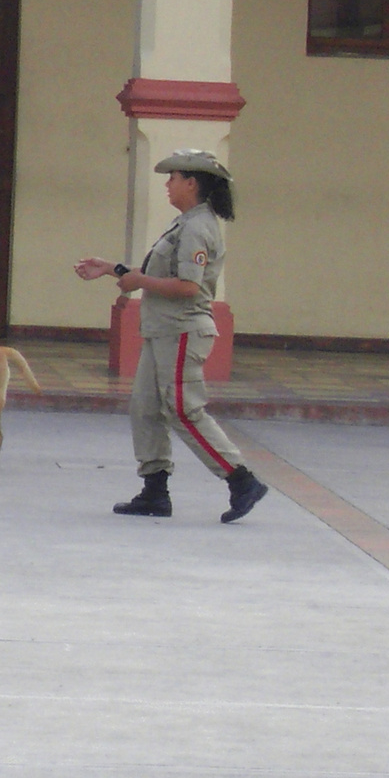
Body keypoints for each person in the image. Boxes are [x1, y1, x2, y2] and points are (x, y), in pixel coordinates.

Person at [75, 149, 268, 523]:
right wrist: (113, 269)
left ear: (191, 183)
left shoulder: (197, 227)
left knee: (183, 409)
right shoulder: (186, 224)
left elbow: (188, 287)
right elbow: (160, 274)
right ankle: (154, 491)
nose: (167, 184)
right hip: (162, 331)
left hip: (182, 331)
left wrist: (138, 281)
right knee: (145, 407)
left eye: (173, 178)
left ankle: (240, 480)